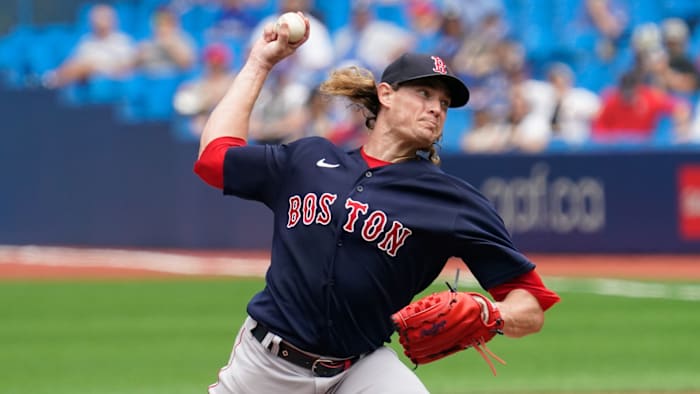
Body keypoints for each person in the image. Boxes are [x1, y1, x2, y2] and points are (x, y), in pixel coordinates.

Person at [194, 13, 560, 393]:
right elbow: (214, 158)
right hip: (267, 366)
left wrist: (492, 312)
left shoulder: (452, 201)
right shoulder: (308, 160)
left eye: (444, 103)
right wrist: (260, 62)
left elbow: (530, 303)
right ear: (385, 94)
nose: (436, 108)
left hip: (360, 368)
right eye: (424, 93)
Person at [43, 3, 135, 88]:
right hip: (85, 79)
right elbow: (75, 60)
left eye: (102, 17)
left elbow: (125, 66)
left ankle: (53, 79)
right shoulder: (87, 41)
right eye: (95, 18)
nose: (98, 21)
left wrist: (94, 66)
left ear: (113, 20)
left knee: (84, 67)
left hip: (108, 79)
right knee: (75, 65)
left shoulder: (122, 40)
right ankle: (54, 79)